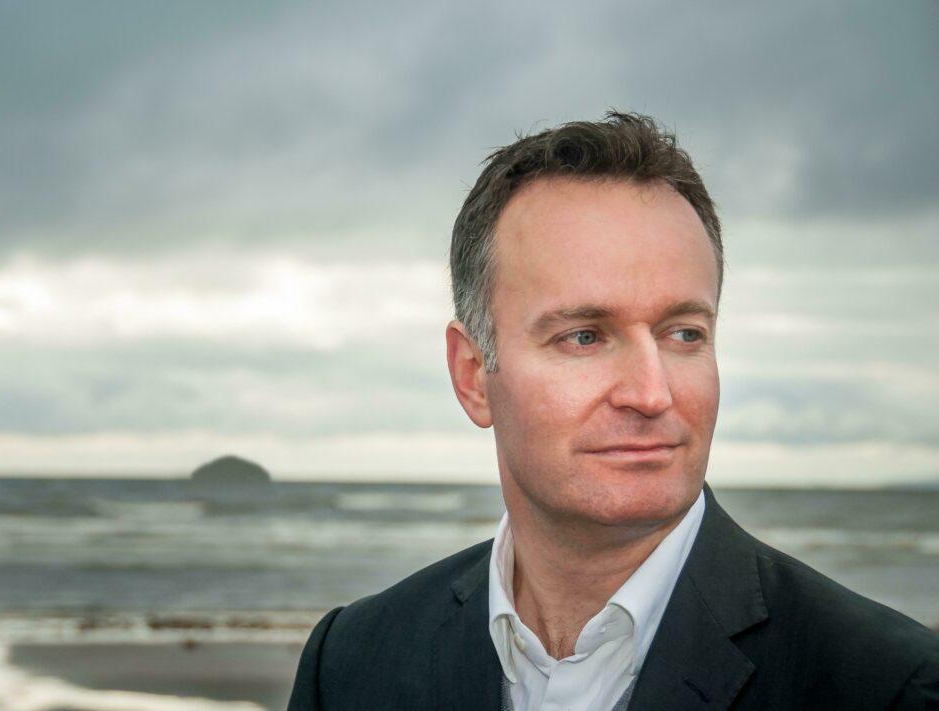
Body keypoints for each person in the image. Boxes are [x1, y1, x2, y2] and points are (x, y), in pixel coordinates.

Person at [288, 112, 939, 710]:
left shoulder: (886, 687)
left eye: (684, 333)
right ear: (472, 377)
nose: (651, 394)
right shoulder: (351, 663)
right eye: (585, 336)